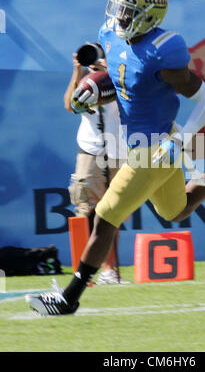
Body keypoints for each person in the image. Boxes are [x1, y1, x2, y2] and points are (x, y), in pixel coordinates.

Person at [26, 0, 205, 315]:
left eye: (128, 11)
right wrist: (91, 89)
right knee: (175, 211)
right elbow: (121, 74)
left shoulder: (162, 49)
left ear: (148, 15)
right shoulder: (110, 33)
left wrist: (179, 142)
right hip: (148, 144)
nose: (120, 17)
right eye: (120, 9)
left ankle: (68, 298)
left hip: (154, 147)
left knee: (105, 218)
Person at [64, 50, 129, 284]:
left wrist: (108, 72)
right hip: (90, 151)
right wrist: (78, 72)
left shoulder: (121, 75)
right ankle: (89, 273)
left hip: (119, 152)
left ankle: (110, 271)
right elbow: (71, 106)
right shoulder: (85, 80)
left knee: (113, 212)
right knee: (87, 210)